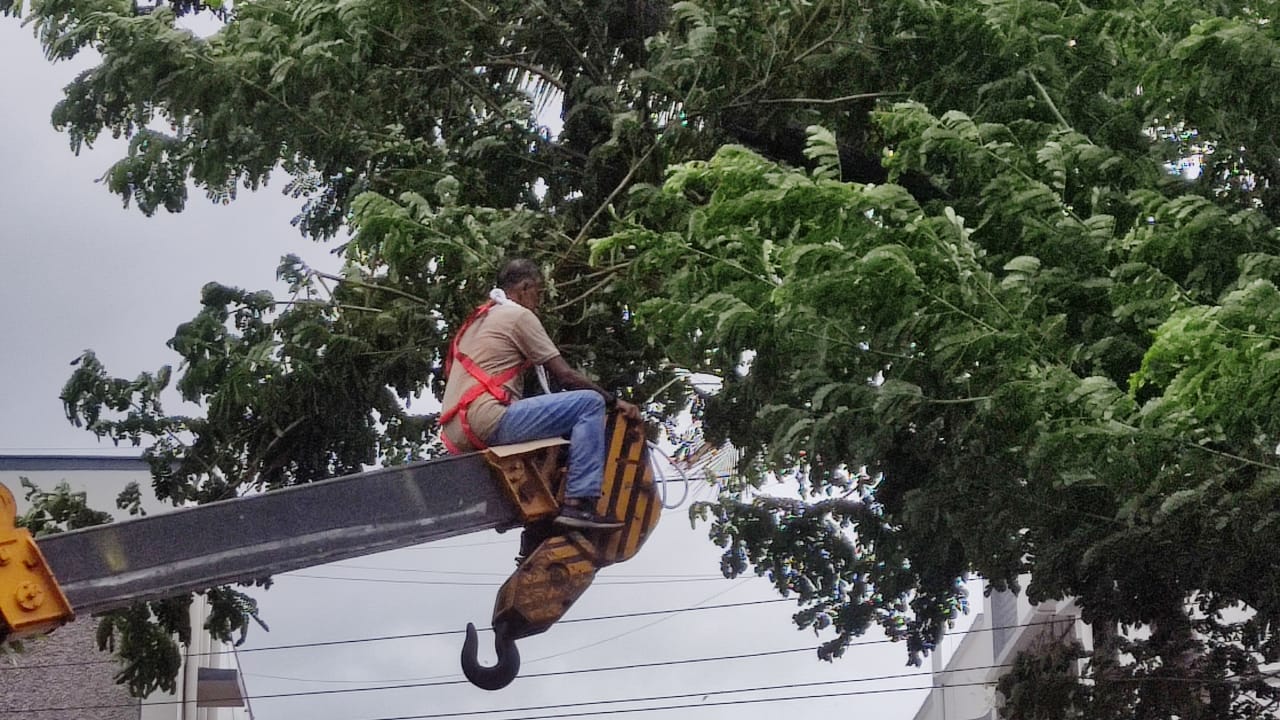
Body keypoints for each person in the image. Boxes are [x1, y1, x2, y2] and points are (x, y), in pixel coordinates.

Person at [439, 258, 642, 530]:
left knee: (552, 430)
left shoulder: (480, 318)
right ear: (524, 288)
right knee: (589, 405)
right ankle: (579, 502)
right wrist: (615, 402)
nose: (540, 299)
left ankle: (520, 505)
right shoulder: (518, 316)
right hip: (485, 419)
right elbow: (566, 376)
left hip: (456, 430)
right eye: (538, 291)